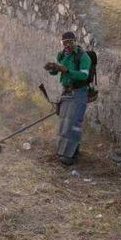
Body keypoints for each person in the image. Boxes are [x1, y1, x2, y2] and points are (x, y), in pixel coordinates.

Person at [45, 31, 92, 166]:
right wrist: (53, 68)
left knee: (74, 124)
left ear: (75, 42)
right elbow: (56, 72)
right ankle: (64, 151)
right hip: (66, 92)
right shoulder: (62, 55)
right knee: (64, 122)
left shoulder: (83, 57)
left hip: (79, 92)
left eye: (69, 42)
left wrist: (66, 70)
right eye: (64, 43)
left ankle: (70, 156)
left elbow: (84, 75)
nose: (67, 46)